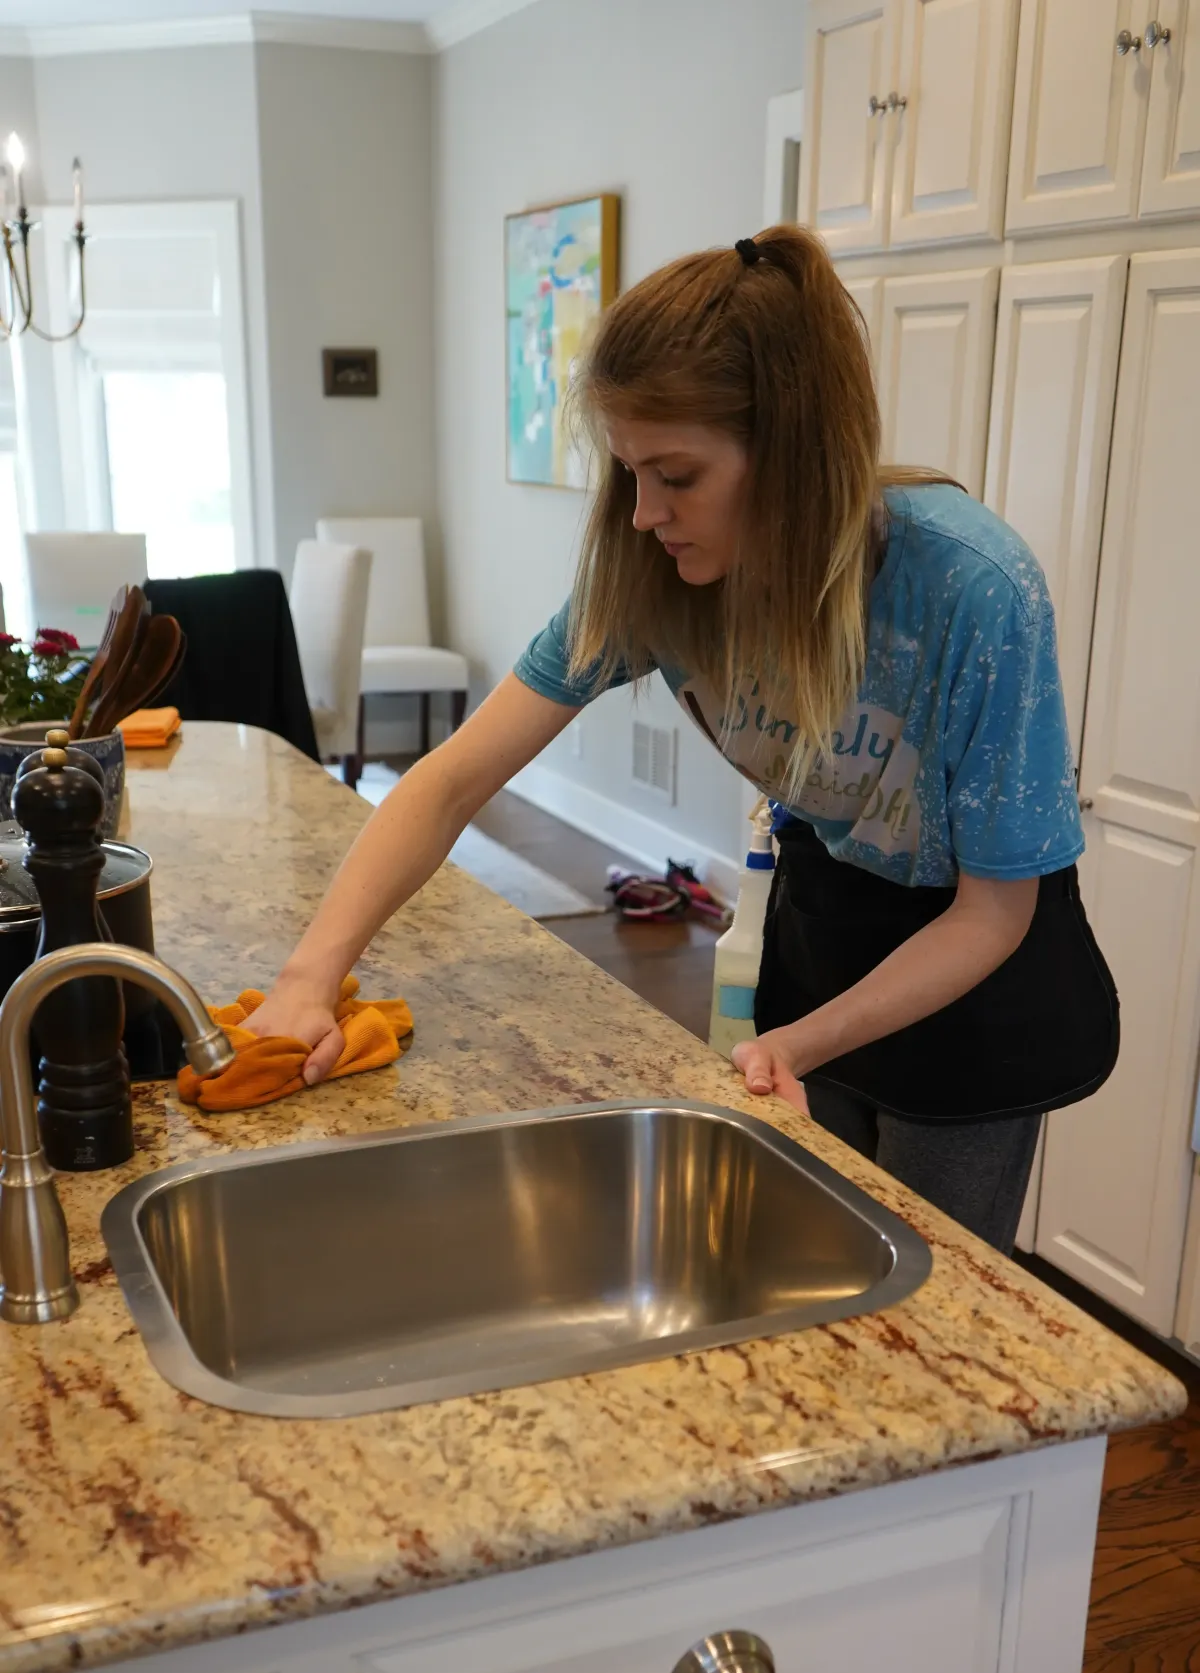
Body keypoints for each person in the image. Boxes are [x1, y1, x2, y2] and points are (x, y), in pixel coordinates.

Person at [247, 226, 1118, 1256]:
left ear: (792, 455)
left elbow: (992, 914)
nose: (642, 516)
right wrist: (307, 978)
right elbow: (448, 784)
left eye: (677, 475)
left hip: (976, 984)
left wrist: (795, 1041)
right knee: (812, 1255)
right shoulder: (653, 580)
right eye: (627, 475)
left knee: (935, 1293)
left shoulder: (972, 587)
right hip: (829, 927)